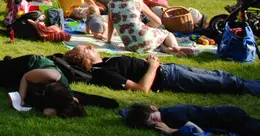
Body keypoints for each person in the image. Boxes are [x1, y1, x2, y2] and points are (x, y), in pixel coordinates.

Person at [65, 45, 260, 95]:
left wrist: (144, 63)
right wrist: (152, 66)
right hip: (168, 78)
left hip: (170, 69)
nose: (91, 47)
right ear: (84, 59)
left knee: (222, 76)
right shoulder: (103, 72)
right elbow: (141, 89)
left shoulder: (107, 60)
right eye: (86, 48)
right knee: (226, 82)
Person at [107, 0, 196, 56]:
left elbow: (110, 25)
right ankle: (175, 47)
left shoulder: (111, 4)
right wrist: (149, 25)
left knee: (153, 38)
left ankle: (166, 49)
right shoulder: (138, 3)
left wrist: (108, 40)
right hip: (144, 38)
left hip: (130, 45)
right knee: (165, 33)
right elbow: (158, 21)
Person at [125, 103, 260, 136]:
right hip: (227, 115)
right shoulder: (166, 111)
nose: (157, 122)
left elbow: (197, 131)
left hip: (228, 118)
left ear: (154, 108)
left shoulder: (172, 115)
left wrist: (170, 131)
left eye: (154, 118)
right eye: (153, 124)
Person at [16, 55, 86, 118]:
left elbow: (47, 113)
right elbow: (25, 77)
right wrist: (21, 98)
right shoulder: (51, 76)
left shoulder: (65, 99)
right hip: (30, 64)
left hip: (32, 81)